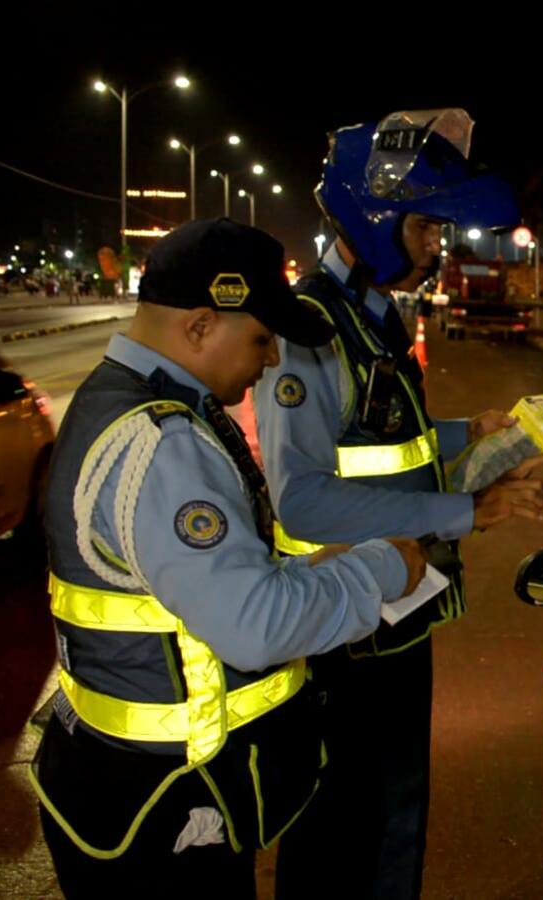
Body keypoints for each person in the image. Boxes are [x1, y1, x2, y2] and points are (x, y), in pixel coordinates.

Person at [30, 218, 429, 899]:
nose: (272, 360)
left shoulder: (112, 398)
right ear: (199, 326)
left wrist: (307, 570)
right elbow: (255, 625)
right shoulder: (164, 443)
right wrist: (383, 569)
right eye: (261, 338)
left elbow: (188, 589)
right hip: (166, 819)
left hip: (123, 787)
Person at [254, 109, 543, 898]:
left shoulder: (374, 320)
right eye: (424, 227)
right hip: (339, 631)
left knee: (393, 820)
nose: (435, 246)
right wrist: (467, 513)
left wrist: (468, 433)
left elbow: (383, 434)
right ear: (374, 220)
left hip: (396, 615)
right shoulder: (311, 330)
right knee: (338, 832)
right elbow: (302, 501)